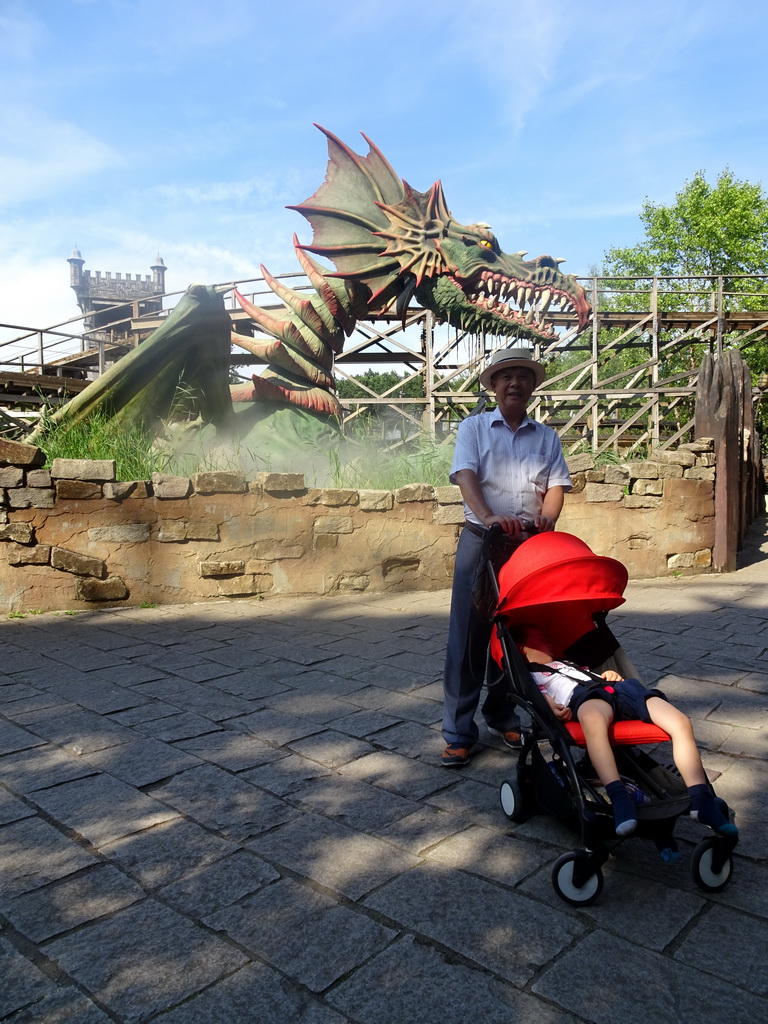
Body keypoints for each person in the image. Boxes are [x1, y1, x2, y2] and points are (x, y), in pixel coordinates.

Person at [441, 348, 572, 767]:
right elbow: (465, 474)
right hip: (483, 541)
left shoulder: (546, 437)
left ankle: (502, 714)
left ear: (532, 386)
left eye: (522, 376)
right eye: (506, 377)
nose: (514, 383)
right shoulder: (475, 428)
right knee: (468, 637)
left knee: (513, 637)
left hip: (528, 548)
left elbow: (556, 486)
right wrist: (489, 516)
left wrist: (547, 522)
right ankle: (459, 732)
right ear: (494, 386)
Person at [515, 623, 739, 838]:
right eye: (541, 641)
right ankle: (619, 797)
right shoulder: (532, 677)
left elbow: (591, 676)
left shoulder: (565, 663)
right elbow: (538, 697)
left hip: (619, 690)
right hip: (585, 699)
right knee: (593, 720)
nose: (549, 645)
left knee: (680, 722)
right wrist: (551, 707)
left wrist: (608, 676)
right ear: (522, 650)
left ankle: (700, 798)